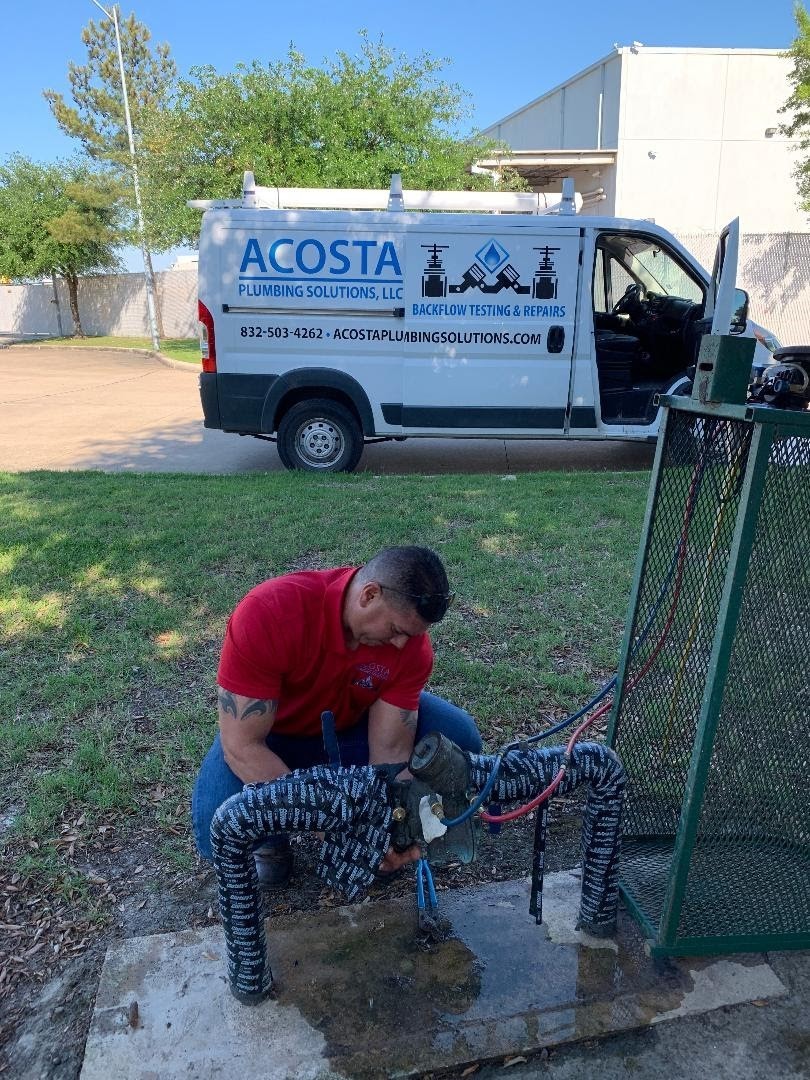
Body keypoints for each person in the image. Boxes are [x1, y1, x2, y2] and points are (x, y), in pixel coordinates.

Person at [192, 546, 482, 887]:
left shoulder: (412, 646)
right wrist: (335, 826)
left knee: (456, 737)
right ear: (369, 595)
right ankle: (271, 842)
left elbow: (390, 755)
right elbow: (242, 746)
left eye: (413, 635)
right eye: (396, 630)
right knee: (218, 822)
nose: (403, 645)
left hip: (351, 728)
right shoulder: (268, 612)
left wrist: (387, 829)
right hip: (274, 738)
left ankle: (397, 826)